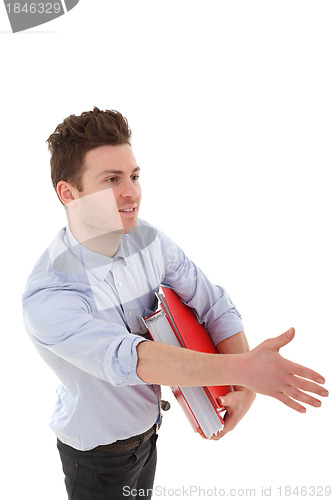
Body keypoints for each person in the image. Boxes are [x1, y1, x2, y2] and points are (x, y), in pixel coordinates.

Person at [22, 107, 328, 500]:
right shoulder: (49, 294)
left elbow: (213, 303)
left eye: (133, 176)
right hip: (96, 459)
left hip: (149, 436)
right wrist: (246, 370)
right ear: (69, 193)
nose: (132, 192)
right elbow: (133, 360)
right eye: (111, 180)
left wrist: (243, 386)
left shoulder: (147, 239)